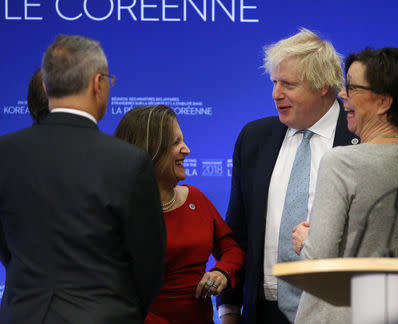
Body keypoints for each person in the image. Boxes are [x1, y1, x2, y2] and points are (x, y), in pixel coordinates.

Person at [0, 35, 166, 324]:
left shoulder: (5, 153)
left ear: (45, 86)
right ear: (97, 84)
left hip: (23, 314)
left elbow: (6, 247)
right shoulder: (129, 162)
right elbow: (148, 264)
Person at [216, 28, 358, 324]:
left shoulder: (362, 139)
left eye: (288, 84)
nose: (276, 94)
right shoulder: (254, 138)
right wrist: (228, 308)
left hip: (339, 310)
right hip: (264, 310)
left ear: (323, 86)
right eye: (274, 82)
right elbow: (238, 231)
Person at [294, 47, 398, 324]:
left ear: (383, 102)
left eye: (352, 88)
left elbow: (318, 262)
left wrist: (304, 242)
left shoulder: (341, 162)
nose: (342, 95)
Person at [114, 105, 245, 324]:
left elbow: (232, 250)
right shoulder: (120, 211)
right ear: (149, 150)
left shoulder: (196, 198)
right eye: (176, 143)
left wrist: (221, 272)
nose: (186, 149)